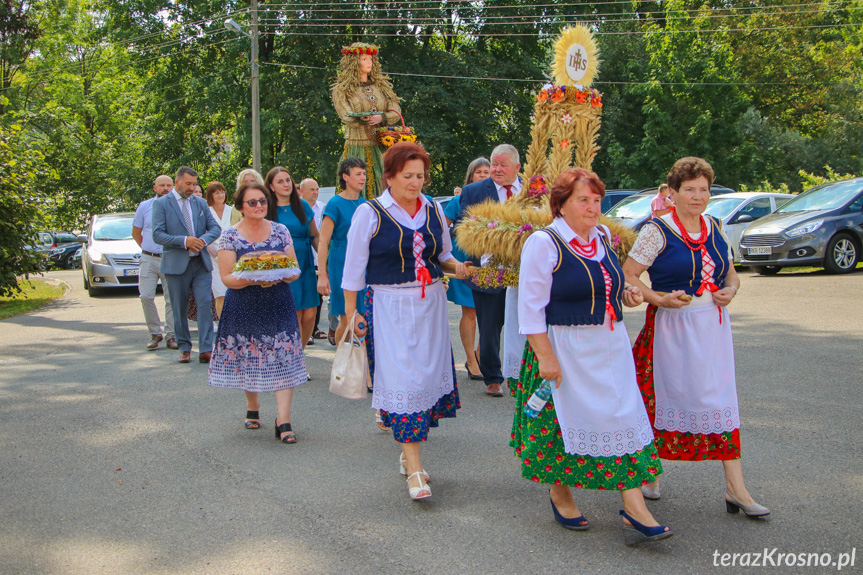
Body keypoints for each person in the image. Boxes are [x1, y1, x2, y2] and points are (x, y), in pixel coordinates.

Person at [513, 168, 672, 545]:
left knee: (621, 419)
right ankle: (561, 492)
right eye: (583, 200)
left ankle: (634, 507)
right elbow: (530, 309)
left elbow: (608, 287)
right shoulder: (544, 242)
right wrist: (546, 358)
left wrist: (627, 296)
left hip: (609, 346)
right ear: (561, 205)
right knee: (561, 426)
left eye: (597, 200)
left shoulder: (601, 237)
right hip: (565, 346)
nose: (592, 207)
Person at [622, 157, 769, 517]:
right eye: (689, 189)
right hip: (671, 328)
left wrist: (731, 290)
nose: (698, 196)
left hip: (713, 328)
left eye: (703, 189)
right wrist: (659, 299)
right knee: (657, 400)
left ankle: (736, 489)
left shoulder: (715, 226)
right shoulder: (657, 230)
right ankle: (650, 473)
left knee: (721, 403)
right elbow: (628, 274)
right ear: (672, 193)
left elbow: (731, 274)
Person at [343, 142, 469, 501]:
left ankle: (406, 453)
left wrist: (456, 267)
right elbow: (352, 270)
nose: (416, 182)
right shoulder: (370, 213)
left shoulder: (433, 208)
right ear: (390, 177)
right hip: (388, 306)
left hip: (430, 306)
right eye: (408, 176)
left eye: (420, 176)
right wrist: (352, 314)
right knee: (405, 383)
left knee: (424, 380)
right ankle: (415, 469)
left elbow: (441, 255)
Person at [208, 183, 307, 442]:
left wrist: (279, 274)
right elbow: (227, 277)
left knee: (283, 356)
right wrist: (255, 278)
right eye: (252, 202)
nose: (259, 205)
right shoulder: (230, 235)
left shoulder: (280, 231)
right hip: (244, 303)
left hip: (278, 301)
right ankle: (253, 405)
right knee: (248, 356)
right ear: (240, 207)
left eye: (262, 200)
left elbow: (294, 269)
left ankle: (283, 420)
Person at [456, 144, 523, 397]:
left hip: (524, 271)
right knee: (490, 325)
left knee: (523, 323)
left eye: (502, 165)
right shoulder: (473, 192)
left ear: (517, 167)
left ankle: (524, 373)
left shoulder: (532, 189)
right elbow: (463, 229)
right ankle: (493, 378)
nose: (496, 169)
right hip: (488, 270)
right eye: (494, 164)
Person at [151, 166, 222, 364]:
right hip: (176, 264)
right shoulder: (162, 204)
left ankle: (206, 349)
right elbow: (157, 235)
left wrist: (202, 240)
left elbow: (215, 228)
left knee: (205, 304)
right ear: (177, 182)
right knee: (179, 308)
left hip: (200, 263)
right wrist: (185, 241)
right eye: (188, 184)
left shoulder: (199, 203)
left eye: (194, 184)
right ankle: (184, 348)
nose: (192, 188)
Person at [332, 42, 402, 199]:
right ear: (354, 62)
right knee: (359, 184)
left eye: (370, 59)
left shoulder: (382, 87)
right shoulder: (342, 89)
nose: (369, 62)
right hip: (357, 146)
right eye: (364, 59)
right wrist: (360, 119)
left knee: (385, 182)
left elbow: (396, 111)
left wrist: (382, 117)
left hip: (382, 146)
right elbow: (345, 114)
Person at [444, 157, 491, 380]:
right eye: (479, 171)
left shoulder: (497, 199)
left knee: (491, 312)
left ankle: (481, 354)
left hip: (491, 259)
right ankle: (471, 361)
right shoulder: (461, 198)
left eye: (486, 171)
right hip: (464, 260)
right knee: (470, 310)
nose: (483, 175)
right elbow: (441, 228)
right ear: (471, 175)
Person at [266, 167, 319, 357]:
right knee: (294, 314)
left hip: (306, 264)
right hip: (283, 268)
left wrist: (326, 262)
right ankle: (291, 358)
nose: (286, 184)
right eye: (280, 181)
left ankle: (299, 355)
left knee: (310, 314)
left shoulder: (303, 205)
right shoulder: (267, 209)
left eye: (288, 180)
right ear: (271, 186)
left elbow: (314, 236)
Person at [317, 157, 368, 345]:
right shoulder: (334, 203)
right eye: (358, 174)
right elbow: (323, 241)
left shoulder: (366, 204)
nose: (362, 178)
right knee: (348, 317)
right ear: (345, 177)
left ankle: (361, 366)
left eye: (364, 174)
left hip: (363, 262)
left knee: (363, 316)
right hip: (342, 261)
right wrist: (322, 275)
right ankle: (341, 364)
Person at [132, 174, 177, 350]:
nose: (165, 188)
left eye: (168, 185)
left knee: (171, 299)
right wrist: (148, 248)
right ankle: (154, 332)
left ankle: (171, 335)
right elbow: (136, 232)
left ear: (173, 187)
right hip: (148, 258)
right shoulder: (144, 206)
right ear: (155, 188)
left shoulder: (176, 206)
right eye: (162, 185)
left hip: (169, 257)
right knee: (146, 296)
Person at [206, 181, 242, 320]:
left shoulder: (232, 210)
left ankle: (236, 322)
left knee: (233, 292)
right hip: (214, 258)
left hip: (233, 256)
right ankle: (223, 324)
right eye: (217, 193)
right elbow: (202, 232)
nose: (220, 195)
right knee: (219, 294)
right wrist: (209, 248)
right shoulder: (206, 211)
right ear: (211, 195)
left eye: (222, 192)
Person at [299, 178, 327, 341]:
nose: (315, 192)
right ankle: (303, 331)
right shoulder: (297, 208)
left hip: (317, 256)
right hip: (301, 255)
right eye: (312, 189)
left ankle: (314, 328)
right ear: (302, 191)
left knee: (317, 295)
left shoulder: (323, 208)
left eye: (317, 189)